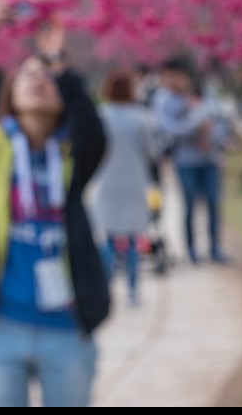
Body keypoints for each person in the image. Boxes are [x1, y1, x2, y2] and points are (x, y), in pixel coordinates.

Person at [0, 0, 109, 408]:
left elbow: (93, 130)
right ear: (10, 96)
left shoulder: (73, 156)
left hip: (67, 330)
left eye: (47, 78)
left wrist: (58, 62)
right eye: (27, 76)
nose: (38, 80)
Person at [90, 70, 163, 307]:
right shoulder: (142, 118)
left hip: (107, 181)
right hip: (134, 183)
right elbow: (153, 152)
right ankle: (133, 292)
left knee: (109, 237)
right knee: (132, 240)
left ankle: (106, 289)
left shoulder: (100, 116)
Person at [152, 56, 231, 265]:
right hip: (185, 160)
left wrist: (211, 138)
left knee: (214, 203)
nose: (172, 82)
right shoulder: (164, 100)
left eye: (175, 77)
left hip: (210, 158)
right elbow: (169, 129)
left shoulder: (205, 94)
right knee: (189, 204)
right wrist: (197, 129)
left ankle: (214, 247)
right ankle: (191, 250)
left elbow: (221, 124)